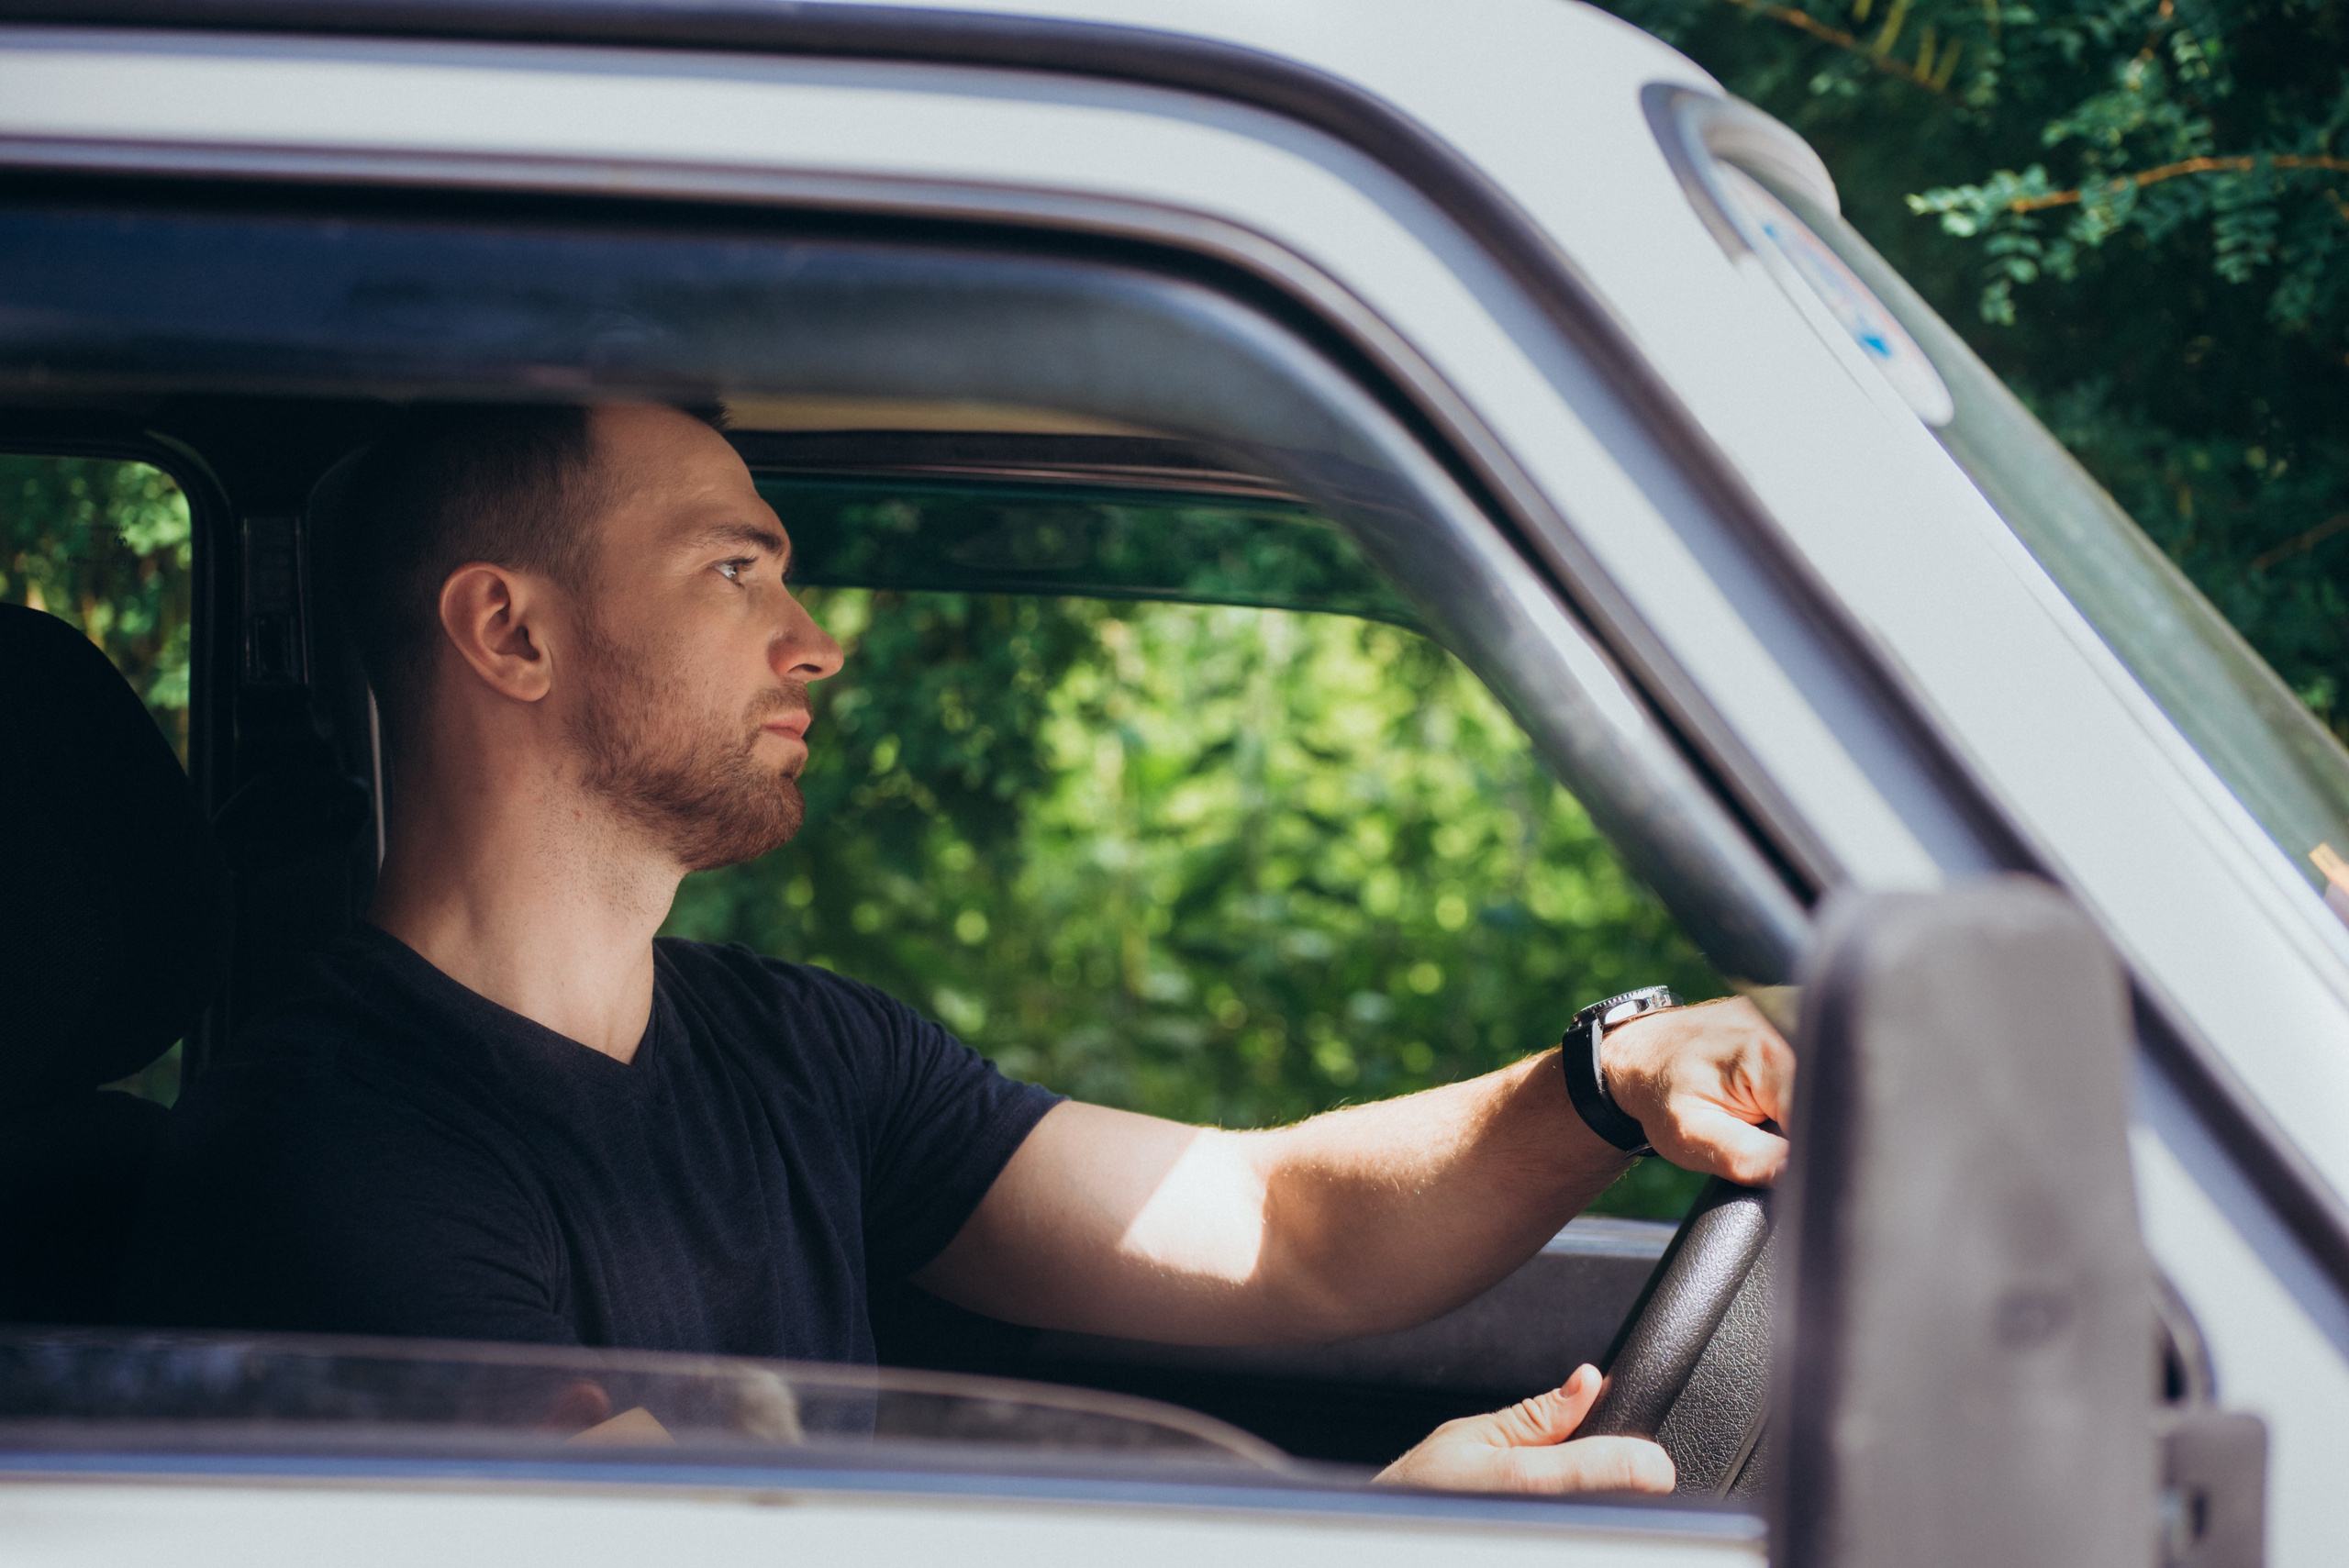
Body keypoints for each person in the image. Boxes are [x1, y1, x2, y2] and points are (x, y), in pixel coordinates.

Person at [120, 403, 1795, 1496]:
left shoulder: (797, 1050)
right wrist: (1366, 1537)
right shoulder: (329, 1152)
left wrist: (1608, 1078)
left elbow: (1273, 1224)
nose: (817, 640)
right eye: (734, 569)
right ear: (511, 630)